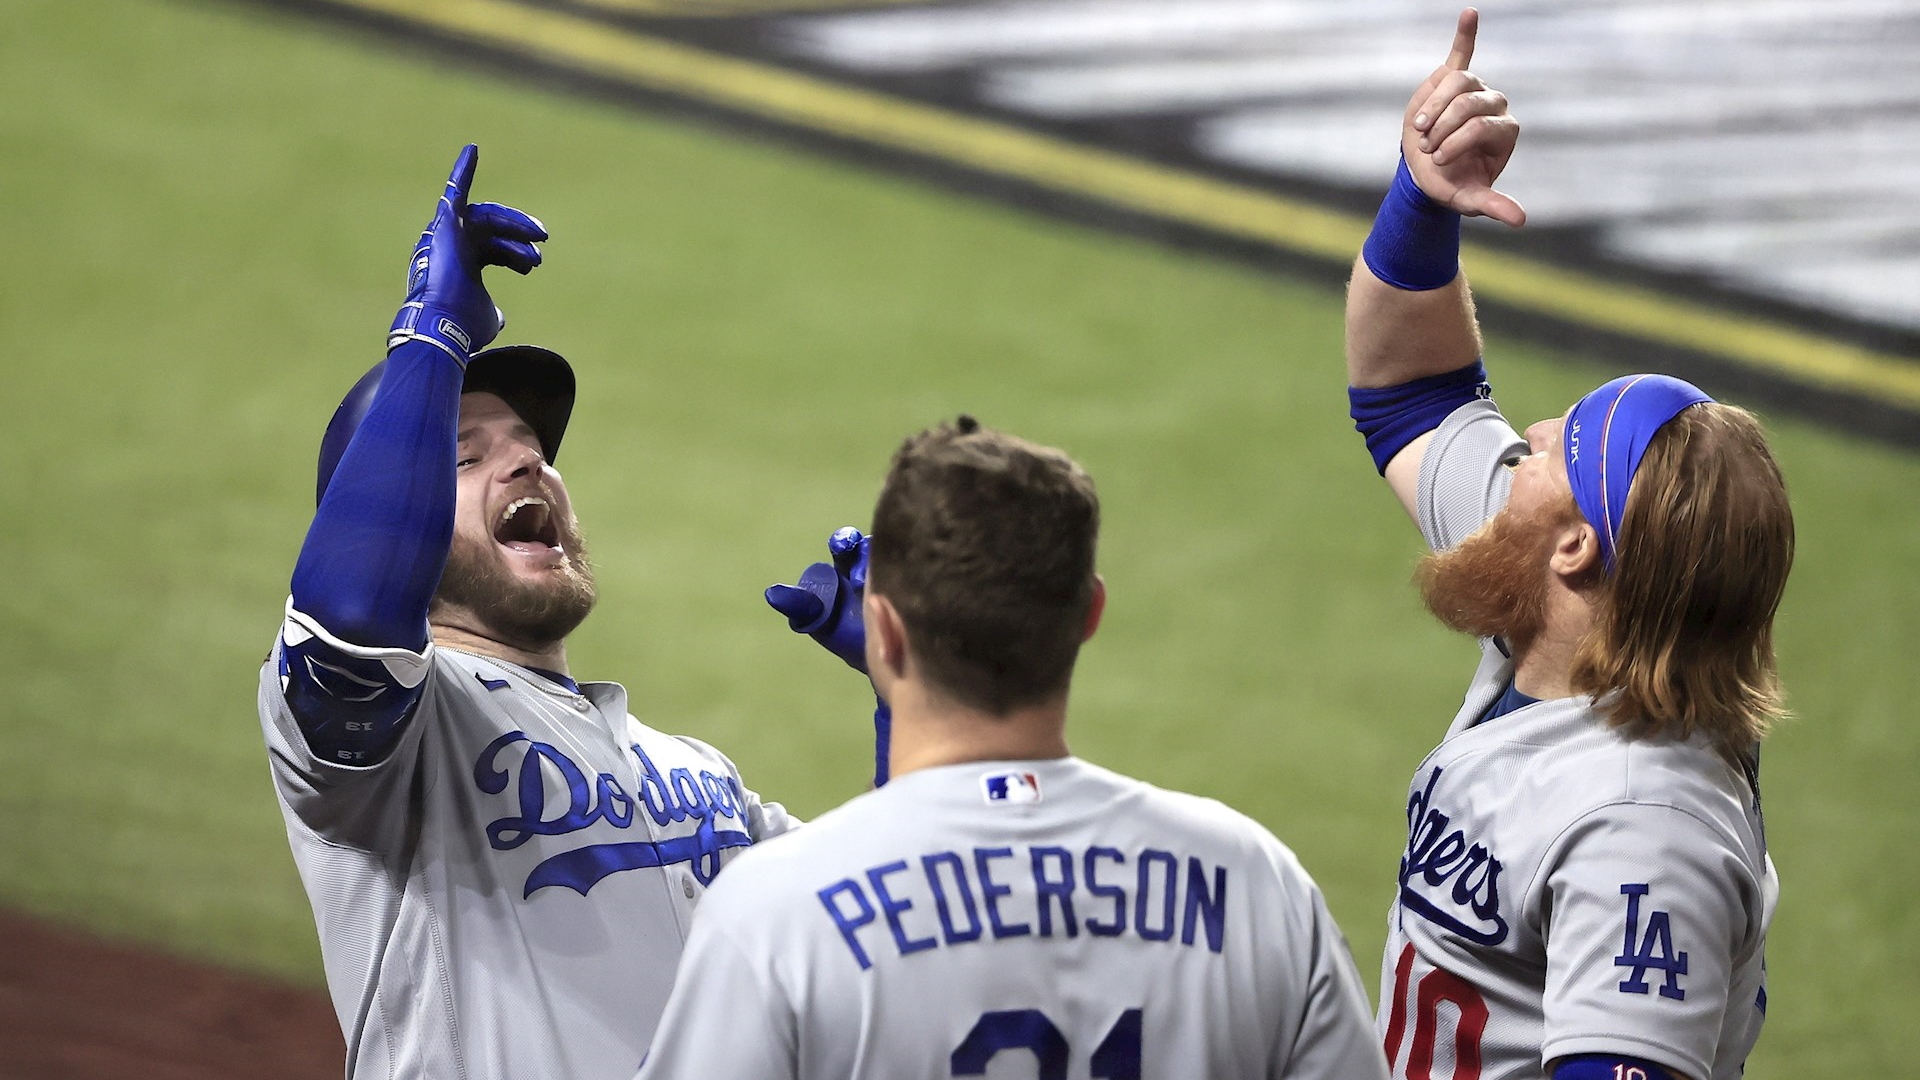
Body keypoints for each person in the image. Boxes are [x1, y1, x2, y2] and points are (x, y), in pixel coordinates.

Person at [256, 145, 797, 1080]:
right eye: (462, 457)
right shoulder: (393, 750)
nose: (527, 464)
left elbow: (885, 926)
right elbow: (352, 615)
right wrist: (430, 336)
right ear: (399, 506)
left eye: (533, 445)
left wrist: (915, 699)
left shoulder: (699, 774)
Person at [636, 417, 1389, 1080]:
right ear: (1089, 613)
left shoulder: (777, 914)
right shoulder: (1255, 883)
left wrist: (896, 698)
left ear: (885, 630)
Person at [1344, 11, 1791, 1080]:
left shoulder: (1648, 828)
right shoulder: (1552, 608)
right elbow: (1410, 396)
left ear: (1577, 549)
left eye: (1556, 445)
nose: (1526, 436)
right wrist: (1422, 201)